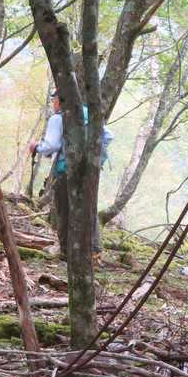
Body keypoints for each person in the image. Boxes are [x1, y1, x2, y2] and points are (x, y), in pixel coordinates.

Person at [28, 92, 107, 256]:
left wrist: (36, 147)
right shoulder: (87, 113)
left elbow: (51, 145)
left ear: (60, 100)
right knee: (88, 208)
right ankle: (94, 250)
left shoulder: (58, 118)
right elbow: (108, 136)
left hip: (66, 170)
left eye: (54, 100)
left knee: (63, 208)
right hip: (90, 171)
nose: (53, 104)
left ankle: (65, 250)